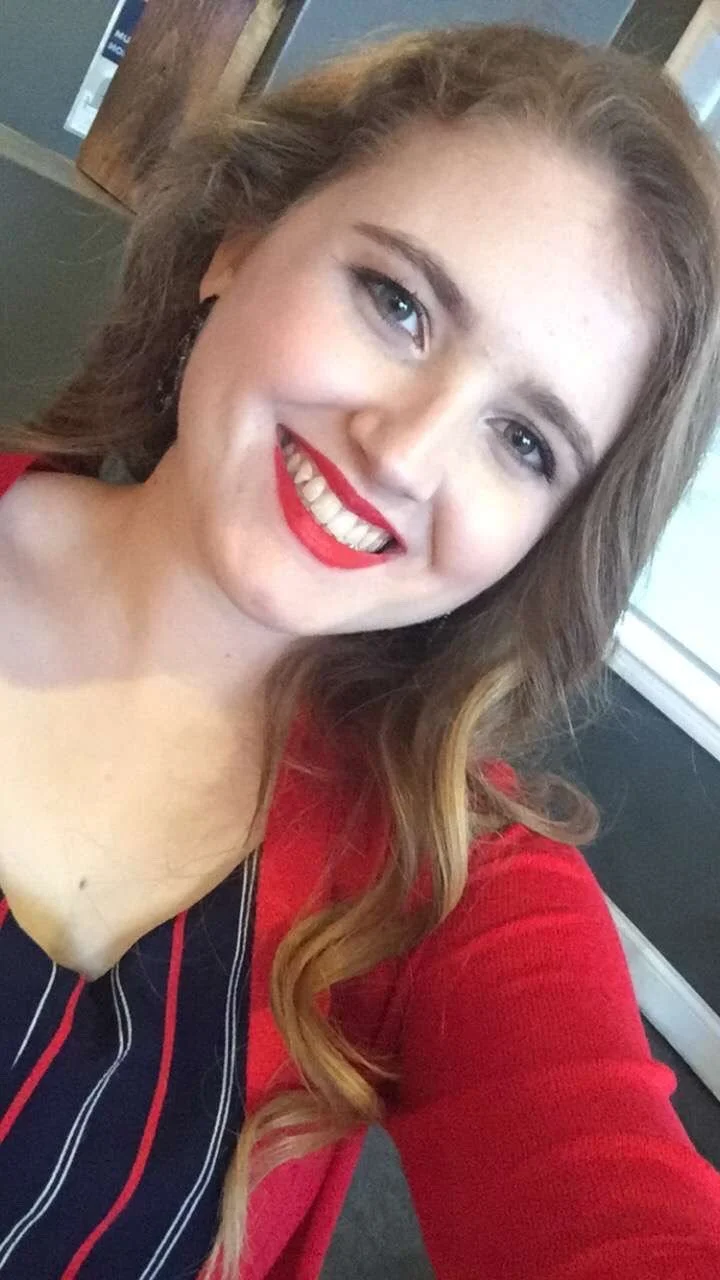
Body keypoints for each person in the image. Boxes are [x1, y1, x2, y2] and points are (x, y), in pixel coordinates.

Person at [1, 19, 720, 1280]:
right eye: (396, 303)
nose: (404, 449)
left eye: (524, 442)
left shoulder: (448, 882)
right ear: (241, 239)